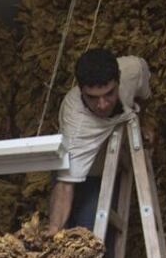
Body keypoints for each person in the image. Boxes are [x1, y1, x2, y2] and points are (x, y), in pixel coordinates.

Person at [48, 48, 153, 238]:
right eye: (92, 98)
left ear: (119, 80)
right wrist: (53, 230)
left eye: (109, 94)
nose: (102, 105)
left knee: (100, 237)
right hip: (81, 175)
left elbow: (143, 95)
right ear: (81, 90)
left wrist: (143, 122)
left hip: (107, 167)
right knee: (84, 239)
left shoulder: (133, 70)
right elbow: (65, 186)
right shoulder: (76, 123)